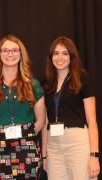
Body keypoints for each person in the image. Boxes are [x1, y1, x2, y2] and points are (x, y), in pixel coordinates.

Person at [0, 34, 46, 179]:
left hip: (27, 149)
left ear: (21, 54)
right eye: (5, 50)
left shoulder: (33, 85)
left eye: (14, 50)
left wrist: (26, 136)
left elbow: (41, 121)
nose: (10, 54)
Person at [42, 36, 100, 180]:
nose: (59, 57)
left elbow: (92, 121)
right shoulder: (47, 83)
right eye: (56, 53)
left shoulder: (82, 78)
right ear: (51, 57)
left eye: (65, 53)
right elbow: (44, 122)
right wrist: (44, 156)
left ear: (72, 56)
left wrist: (94, 156)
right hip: (53, 146)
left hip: (77, 143)